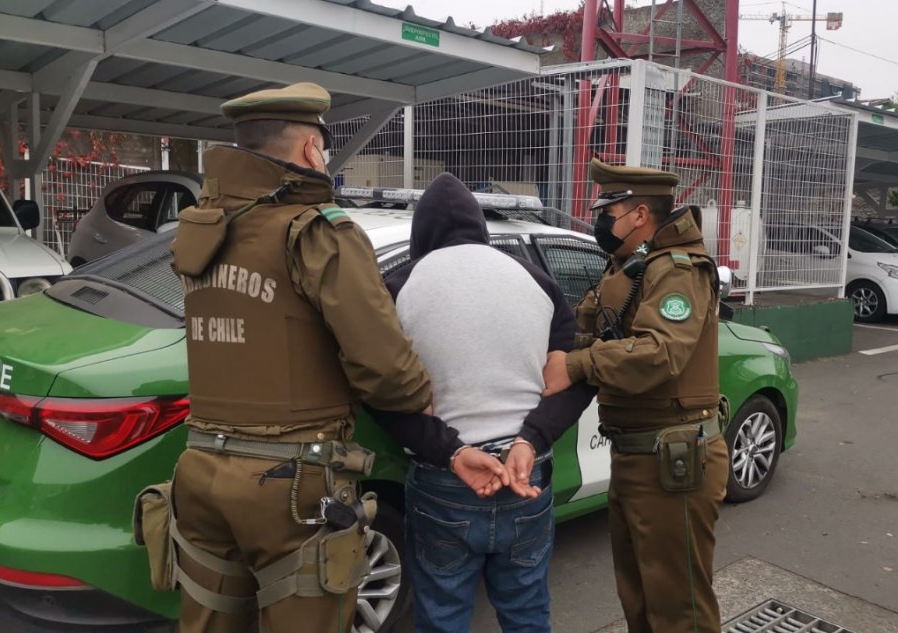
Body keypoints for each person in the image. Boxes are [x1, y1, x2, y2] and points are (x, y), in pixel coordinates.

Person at [166, 82, 432, 633]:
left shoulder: (204, 230)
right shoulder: (318, 232)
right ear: (313, 150)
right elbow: (384, 368)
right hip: (290, 481)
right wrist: (419, 401)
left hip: (199, 467)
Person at [369, 172, 591, 633]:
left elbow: (380, 392)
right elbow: (571, 379)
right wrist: (529, 441)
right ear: (481, 228)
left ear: (419, 234)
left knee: (443, 615)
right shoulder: (538, 280)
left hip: (445, 482)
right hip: (526, 475)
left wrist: (448, 450)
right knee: (527, 611)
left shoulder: (394, 288)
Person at [542, 158, 730, 633]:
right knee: (639, 594)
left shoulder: (678, 270)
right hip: (636, 453)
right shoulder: (626, 266)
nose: (599, 219)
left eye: (608, 210)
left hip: (673, 460)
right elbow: (583, 328)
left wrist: (577, 365)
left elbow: (661, 352)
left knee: (678, 605)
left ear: (640, 214)